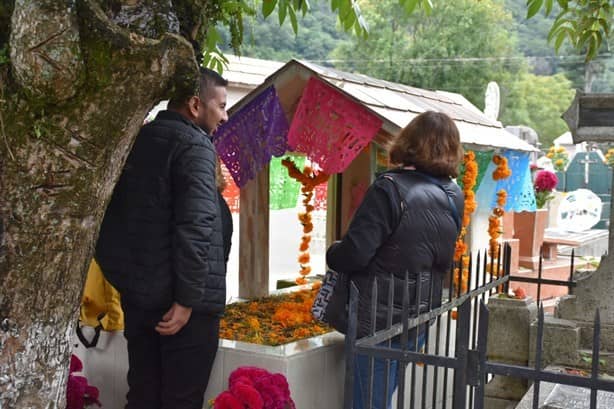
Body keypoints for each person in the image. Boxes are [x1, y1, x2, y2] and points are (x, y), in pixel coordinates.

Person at [96, 67, 229, 409]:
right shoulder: (195, 146)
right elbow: (196, 226)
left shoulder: (136, 141)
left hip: (141, 301)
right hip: (185, 310)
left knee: (142, 395)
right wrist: (185, 301)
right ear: (196, 105)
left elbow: (106, 225)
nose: (225, 116)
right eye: (221, 106)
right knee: (180, 400)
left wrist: (131, 286)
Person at [326, 111, 464, 409]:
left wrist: (333, 252)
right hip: (417, 317)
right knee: (383, 397)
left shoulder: (389, 189)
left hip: (376, 319)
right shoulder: (454, 195)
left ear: (408, 141)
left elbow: (355, 253)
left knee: (367, 402)